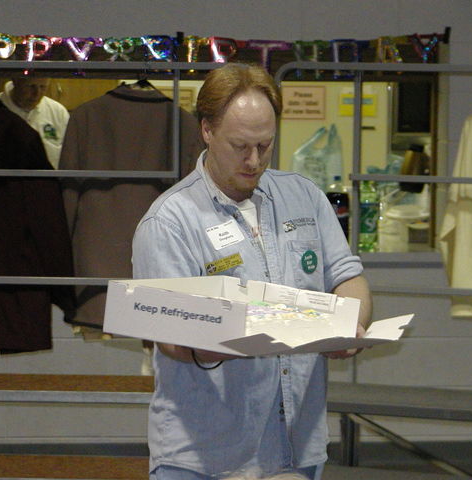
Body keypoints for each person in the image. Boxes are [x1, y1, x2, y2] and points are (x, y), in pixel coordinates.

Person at [132, 63, 372, 480]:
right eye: (240, 146)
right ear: (207, 130)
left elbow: (347, 276)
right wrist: (218, 339)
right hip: (206, 456)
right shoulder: (169, 221)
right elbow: (169, 339)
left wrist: (351, 324)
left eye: (265, 145)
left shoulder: (303, 196)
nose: (254, 160)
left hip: (297, 445)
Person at [0, 76, 69, 168]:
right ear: (16, 82)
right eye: (31, 86)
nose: (37, 93)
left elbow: (69, 154)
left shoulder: (58, 112)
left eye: (43, 87)